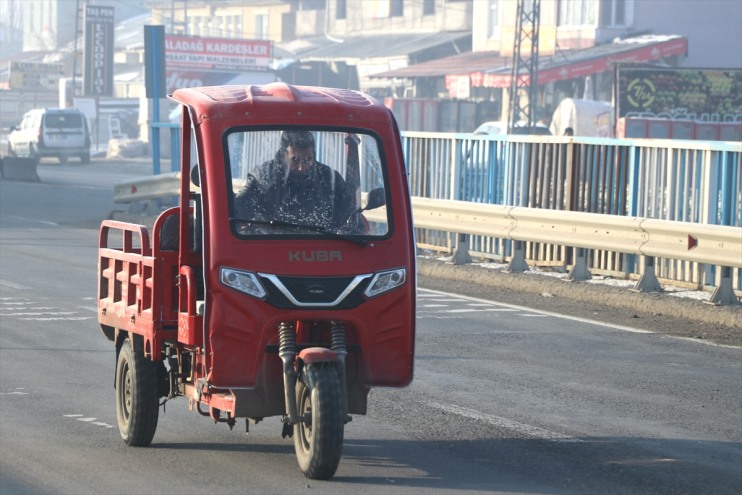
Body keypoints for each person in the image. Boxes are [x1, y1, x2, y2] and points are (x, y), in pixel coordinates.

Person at [234, 130, 359, 232]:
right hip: (271, 247)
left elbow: (350, 217)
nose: (301, 167)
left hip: (320, 247)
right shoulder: (263, 177)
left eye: (307, 159)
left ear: (314, 155)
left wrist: (348, 231)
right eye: (294, 159)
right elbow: (237, 212)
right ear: (283, 156)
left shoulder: (330, 179)